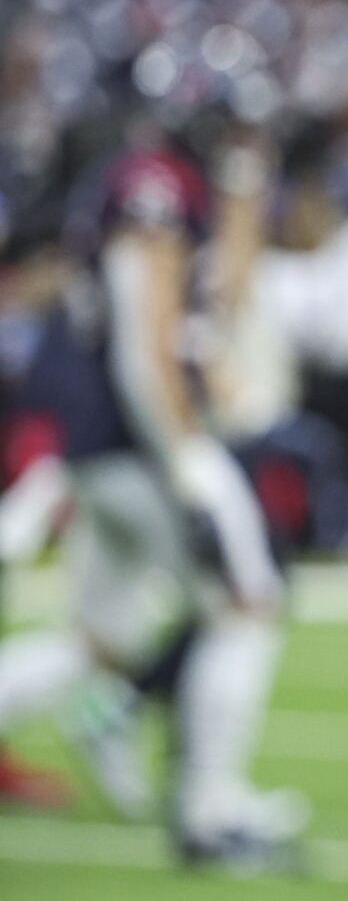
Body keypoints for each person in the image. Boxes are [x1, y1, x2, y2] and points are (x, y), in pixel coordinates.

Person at [0, 111, 305, 868]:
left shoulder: (177, 187)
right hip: (143, 447)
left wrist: (241, 206)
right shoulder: (153, 187)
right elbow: (144, 342)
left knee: (99, 642)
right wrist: (186, 459)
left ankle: (208, 798)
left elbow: (224, 300)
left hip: (111, 451)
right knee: (248, 602)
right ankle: (211, 810)